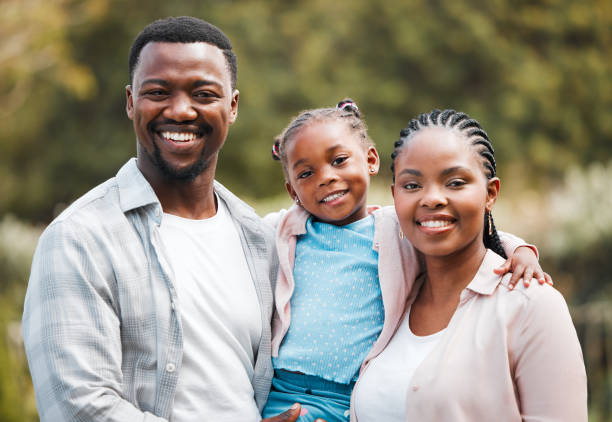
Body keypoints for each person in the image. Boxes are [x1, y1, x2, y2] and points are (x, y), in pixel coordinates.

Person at [22, 16, 304, 422]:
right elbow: (78, 405)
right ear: (131, 101)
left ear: (233, 106)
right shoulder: (79, 238)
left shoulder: (259, 238)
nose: (180, 110)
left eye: (203, 94)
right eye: (158, 92)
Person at [262, 101, 548, 422]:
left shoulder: (397, 232)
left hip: (349, 397)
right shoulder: (284, 231)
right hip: (282, 390)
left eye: (339, 161)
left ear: (370, 160)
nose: (326, 178)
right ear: (292, 190)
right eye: (306, 173)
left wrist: (521, 250)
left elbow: (472, 236)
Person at [352, 109, 587, 421]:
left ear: (490, 193)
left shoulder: (532, 306)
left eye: (455, 182)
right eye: (412, 185)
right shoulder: (387, 296)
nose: (432, 198)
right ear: (394, 195)